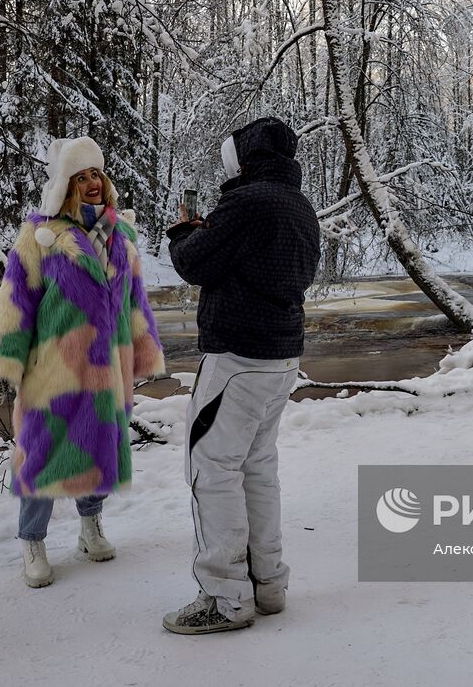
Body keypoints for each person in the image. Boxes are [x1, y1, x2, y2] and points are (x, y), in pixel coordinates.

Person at [0, 136, 165, 588]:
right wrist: (4, 359)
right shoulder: (40, 235)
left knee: (99, 448)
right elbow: (14, 299)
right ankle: (32, 540)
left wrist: (144, 350)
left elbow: (135, 301)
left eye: (96, 174)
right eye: (81, 176)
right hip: (54, 371)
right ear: (66, 185)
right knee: (42, 455)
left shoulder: (122, 235)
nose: (92, 183)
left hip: (108, 367)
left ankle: (90, 528)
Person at [162, 116, 321, 635]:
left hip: (237, 359)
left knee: (211, 470)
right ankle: (267, 584)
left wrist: (187, 227)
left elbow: (195, 263)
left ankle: (225, 597)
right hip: (281, 357)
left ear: (243, 158)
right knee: (256, 467)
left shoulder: (247, 202)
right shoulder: (300, 207)